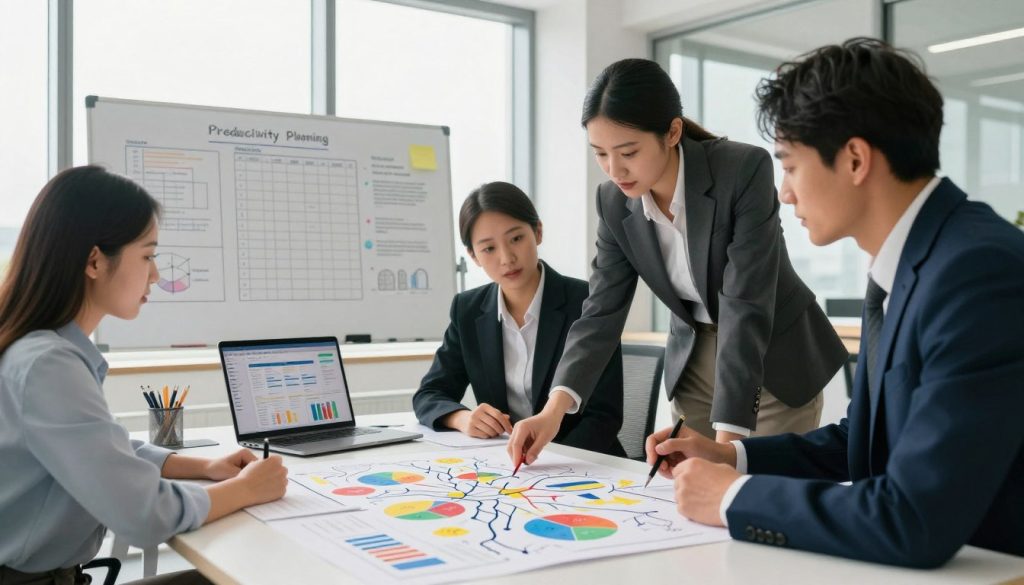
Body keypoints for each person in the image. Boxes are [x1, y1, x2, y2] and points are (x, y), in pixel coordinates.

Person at [646, 38, 1024, 567]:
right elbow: (867, 438)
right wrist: (731, 455)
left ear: (854, 159)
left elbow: (913, 517)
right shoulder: (909, 261)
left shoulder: (976, 275)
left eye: (792, 166)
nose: (784, 193)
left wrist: (730, 498)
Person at [508, 58, 847, 466]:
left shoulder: (741, 170)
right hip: (695, 359)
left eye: (628, 152)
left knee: (761, 496)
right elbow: (600, 312)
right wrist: (552, 411)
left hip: (772, 354)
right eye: (600, 154)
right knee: (688, 500)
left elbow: (746, 303)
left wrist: (727, 448)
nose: (615, 170)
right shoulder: (614, 202)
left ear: (672, 132)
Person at [0, 166, 288, 585]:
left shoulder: (40, 349)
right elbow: (143, 515)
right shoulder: (47, 364)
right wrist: (247, 489)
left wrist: (203, 466)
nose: (156, 274)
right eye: (148, 255)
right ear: (95, 261)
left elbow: (98, 451)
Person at [413, 182, 625, 456]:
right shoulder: (467, 309)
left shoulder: (589, 302)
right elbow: (429, 394)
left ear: (537, 232)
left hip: (585, 463)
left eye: (516, 239)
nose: (507, 258)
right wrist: (463, 419)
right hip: (511, 467)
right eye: (488, 249)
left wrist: (546, 459)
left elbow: (603, 417)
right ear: (473, 256)